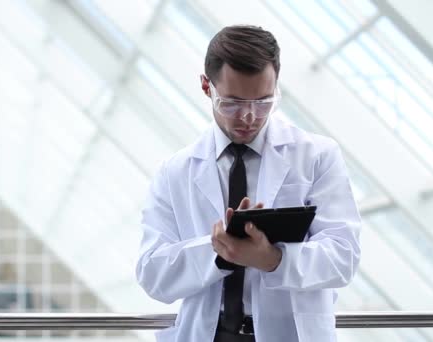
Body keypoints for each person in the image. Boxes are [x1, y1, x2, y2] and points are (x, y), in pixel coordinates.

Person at [135, 25, 361, 342]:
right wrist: (220, 251)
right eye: (232, 102)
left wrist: (272, 259)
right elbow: (153, 273)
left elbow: (343, 257)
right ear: (205, 86)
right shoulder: (175, 172)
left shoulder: (317, 156)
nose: (248, 117)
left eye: (263, 102)